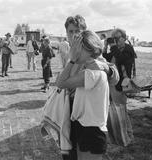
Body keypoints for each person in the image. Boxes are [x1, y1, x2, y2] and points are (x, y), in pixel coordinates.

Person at [57, 15, 119, 160]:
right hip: (70, 108)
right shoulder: (70, 53)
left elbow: (115, 78)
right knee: (69, 150)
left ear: (84, 32)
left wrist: (106, 68)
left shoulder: (91, 52)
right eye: (70, 31)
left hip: (88, 113)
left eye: (77, 31)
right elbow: (63, 79)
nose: (73, 35)